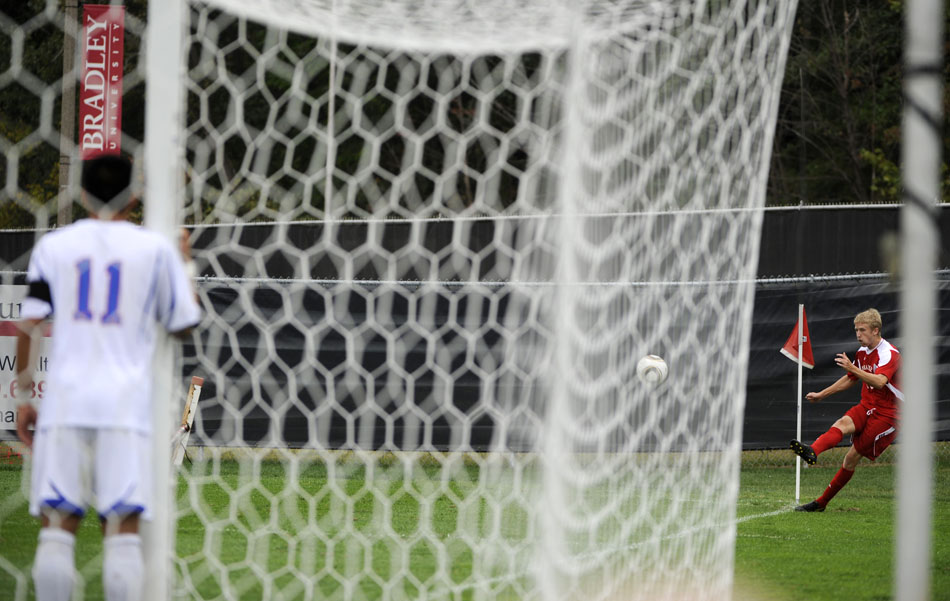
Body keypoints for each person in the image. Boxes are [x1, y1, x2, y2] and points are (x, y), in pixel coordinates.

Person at [14, 154, 201, 601]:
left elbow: (30, 323)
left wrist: (24, 394)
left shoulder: (55, 247)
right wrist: (185, 262)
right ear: (133, 196)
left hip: (66, 403)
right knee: (123, 535)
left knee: (57, 532)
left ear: (80, 193)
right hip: (127, 408)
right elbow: (184, 324)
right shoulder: (153, 249)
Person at [789, 308, 901, 512]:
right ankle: (812, 451)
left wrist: (853, 368)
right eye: (856, 330)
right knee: (841, 424)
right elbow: (851, 378)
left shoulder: (889, 354)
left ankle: (821, 503)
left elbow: (879, 381)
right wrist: (822, 394)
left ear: (876, 330)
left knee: (851, 458)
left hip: (888, 414)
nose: (858, 335)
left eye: (862, 330)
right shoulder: (862, 353)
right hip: (867, 405)